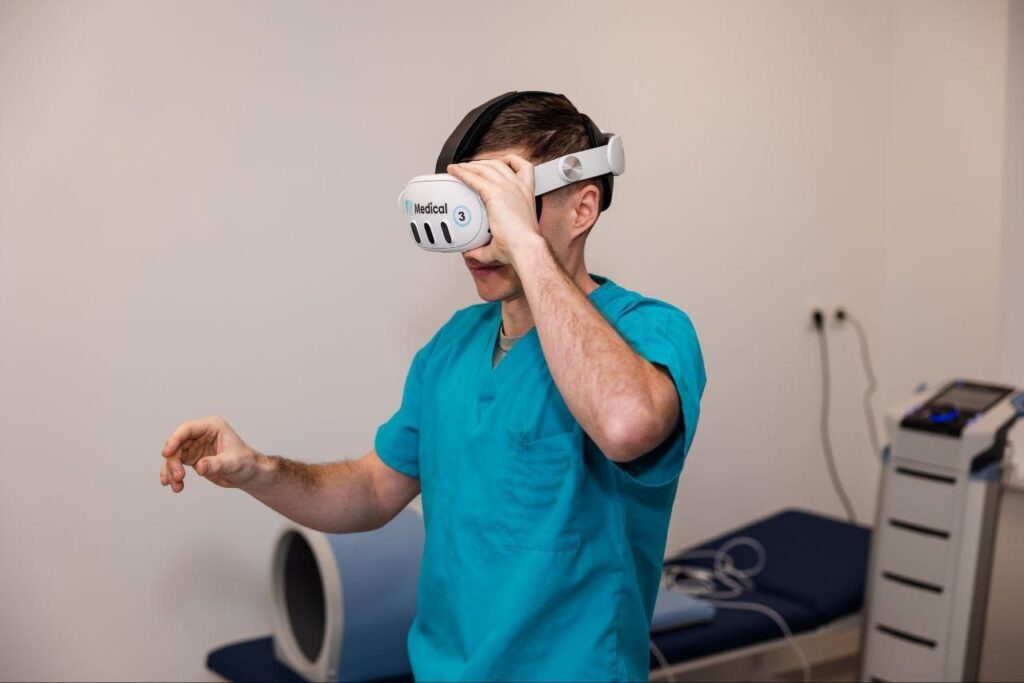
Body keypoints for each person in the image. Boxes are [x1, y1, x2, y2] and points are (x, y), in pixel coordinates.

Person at [160, 92, 706, 681]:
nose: (474, 244)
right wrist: (259, 470)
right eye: (467, 211)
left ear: (582, 208)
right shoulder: (453, 345)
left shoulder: (647, 331)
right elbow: (373, 490)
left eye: (502, 209)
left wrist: (525, 244)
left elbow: (626, 425)